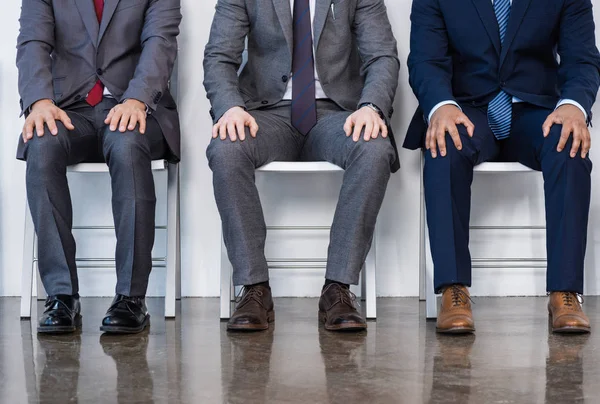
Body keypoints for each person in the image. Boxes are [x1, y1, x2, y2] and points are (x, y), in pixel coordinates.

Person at [204, 0, 400, 332]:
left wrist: (371, 106)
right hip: (266, 114)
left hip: (336, 114)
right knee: (226, 148)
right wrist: (230, 108)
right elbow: (219, 56)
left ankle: (338, 288)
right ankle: (254, 289)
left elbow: (381, 56)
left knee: (374, 148)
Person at [405, 0, 600, 334]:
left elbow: (582, 59)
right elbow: (426, 60)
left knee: (568, 144)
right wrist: (440, 106)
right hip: (467, 109)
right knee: (443, 144)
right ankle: (454, 290)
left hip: (535, 109)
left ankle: (564, 292)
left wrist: (573, 105)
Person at [16, 0, 182, 334]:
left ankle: (131, 297)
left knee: (127, 142)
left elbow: (159, 41)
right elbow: (33, 41)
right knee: (42, 145)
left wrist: (137, 98)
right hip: (67, 107)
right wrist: (40, 101)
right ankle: (61, 296)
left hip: (134, 104)